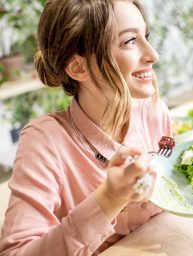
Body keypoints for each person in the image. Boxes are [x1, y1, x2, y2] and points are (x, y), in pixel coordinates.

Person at [0, 0, 171, 255]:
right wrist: (109, 199)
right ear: (78, 67)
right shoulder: (44, 141)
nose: (153, 54)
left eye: (145, 36)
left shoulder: (155, 112)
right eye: (130, 41)